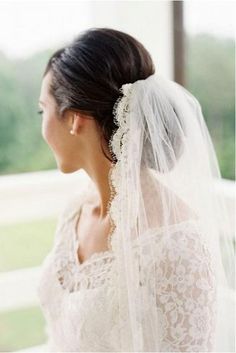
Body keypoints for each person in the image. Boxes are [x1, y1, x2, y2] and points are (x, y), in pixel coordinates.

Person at [37, 27, 235, 352]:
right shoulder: (75, 211)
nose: (42, 126)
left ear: (74, 118)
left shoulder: (177, 243)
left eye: (42, 110)